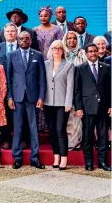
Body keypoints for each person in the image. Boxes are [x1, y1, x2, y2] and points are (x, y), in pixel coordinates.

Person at [6, 31, 46, 170]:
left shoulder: (38, 55)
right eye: (21, 39)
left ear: (30, 40)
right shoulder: (11, 55)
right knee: (17, 128)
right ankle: (17, 158)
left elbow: (42, 78)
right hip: (16, 97)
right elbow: (8, 79)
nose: (24, 41)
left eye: (27, 39)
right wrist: (9, 97)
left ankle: (35, 158)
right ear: (17, 40)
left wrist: (41, 97)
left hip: (33, 97)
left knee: (33, 128)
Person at [74, 43, 111, 171]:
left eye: (95, 51)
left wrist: (111, 105)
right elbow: (77, 90)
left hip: (103, 108)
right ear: (86, 53)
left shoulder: (106, 67)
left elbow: (109, 88)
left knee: (103, 136)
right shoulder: (80, 68)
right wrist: (78, 107)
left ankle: (102, 162)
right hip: (87, 107)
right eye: (90, 51)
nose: (93, 53)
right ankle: (89, 162)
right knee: (87, 136)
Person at [43, 40, 74, 170]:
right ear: (51, 50)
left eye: (60, 48)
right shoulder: (45, 64)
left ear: (63, 50)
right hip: (48, 102)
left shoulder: (69, 65)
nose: (57, 50)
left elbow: (70, 86)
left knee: (60, 130)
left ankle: (64, 158)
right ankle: (56, 156)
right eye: (54, 48)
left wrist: (68, 102)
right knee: (52, 131)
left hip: (62, 103)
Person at [62, 31, 85, 151]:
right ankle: (65, 141)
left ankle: (75, 142)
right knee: (65, 117)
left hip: (78, 90)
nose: (72, 40)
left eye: (74, 38)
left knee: (76, 117)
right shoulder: (61, 54)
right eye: (69, 38)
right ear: (65, 40)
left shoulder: (82, 54)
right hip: (64, 90)